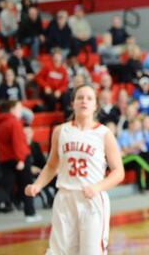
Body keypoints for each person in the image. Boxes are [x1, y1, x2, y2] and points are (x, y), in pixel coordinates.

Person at [25, 85, 124, 254]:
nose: (84, 101)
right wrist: (38, 185)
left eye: (89, 98)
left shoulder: (104, 133)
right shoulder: (60, 131)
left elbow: (118, 172)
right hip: (64, 197)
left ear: (95, 106)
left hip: (91, 200)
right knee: (58, 252)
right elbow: (51, 165)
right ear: (72, 103)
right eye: (80, 97)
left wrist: (97, 187)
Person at [0, 100, 39, 222]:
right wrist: (21, 159)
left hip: (5, 159)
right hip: (19, 159)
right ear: (12, 109)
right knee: (27, 185)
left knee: (6, 186)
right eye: (19, 108)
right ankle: (30, 213)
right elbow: (18, 143)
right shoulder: (14, 122)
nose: (21, 111)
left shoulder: (1, 123)